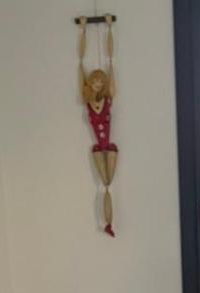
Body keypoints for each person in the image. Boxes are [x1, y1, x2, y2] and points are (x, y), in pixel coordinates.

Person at [79, 18, 118, 236]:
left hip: (108, 146)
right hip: (99, 147)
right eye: (95, 82)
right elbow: (80, 70)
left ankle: (108, 223)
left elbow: (111, 75)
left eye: (101, 82)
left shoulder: (108, 99)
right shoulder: (88, 102)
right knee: (105, 181)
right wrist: (84, 30)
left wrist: (110, 27)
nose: (98, 84)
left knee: (107, 181)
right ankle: (108, 223)